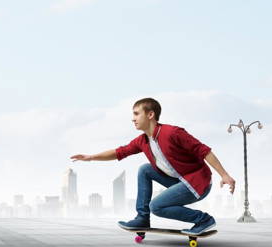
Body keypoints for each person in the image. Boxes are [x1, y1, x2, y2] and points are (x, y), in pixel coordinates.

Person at [70, 98, 235, 235]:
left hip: (197, 182)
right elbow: (119, 152)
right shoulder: (143, 141)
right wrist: (91, 157)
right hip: (179, 181)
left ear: (150, 114)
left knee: (157, 206)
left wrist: (224, 175)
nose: (133, 119)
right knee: (145, 169)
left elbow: (204, 151)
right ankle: (142, 218)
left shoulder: (172, 133)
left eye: (136, 114)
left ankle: (203, 219)